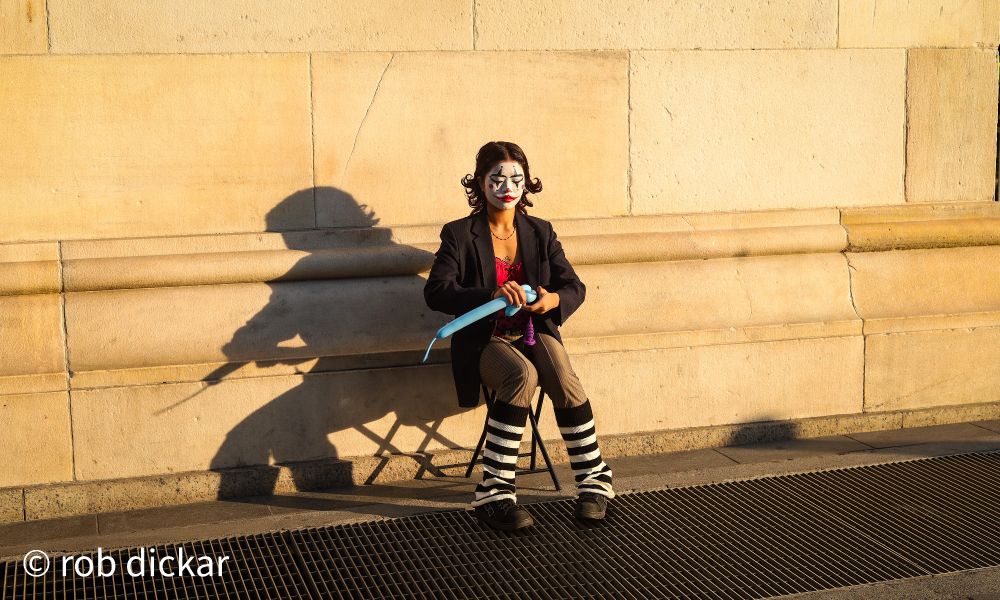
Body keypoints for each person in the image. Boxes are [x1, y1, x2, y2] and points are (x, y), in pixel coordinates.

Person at [423, 141, 615, 531]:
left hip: (532, 328)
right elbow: (436, 292)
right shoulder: (460, 235)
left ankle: (595, 481)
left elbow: (573, 285)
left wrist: (553, 299)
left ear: (527, 183)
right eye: (497, 178)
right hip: (485, 339)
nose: (507, 186)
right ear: (480, 182)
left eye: (516, 178)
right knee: (521, 377)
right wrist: (489, 294)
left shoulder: (540, 232)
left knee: (563, 378)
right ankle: (495, 494)